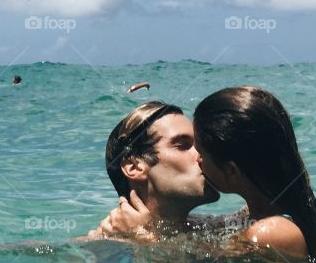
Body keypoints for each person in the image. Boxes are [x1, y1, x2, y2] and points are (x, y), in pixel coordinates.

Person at [97, 88, 316, 263]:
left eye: (201, 146)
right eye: (183, 145)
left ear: (232, 170)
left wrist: (144, 238)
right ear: (134, 167)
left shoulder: (270, 231)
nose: (201, 156)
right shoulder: (222, 225)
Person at [93, 102, 224, 240]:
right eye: (183, 145)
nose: (203, 153)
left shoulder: (212, 226)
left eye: (199, 144)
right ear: (134, 167)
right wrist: (140, 236)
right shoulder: (101, 250)